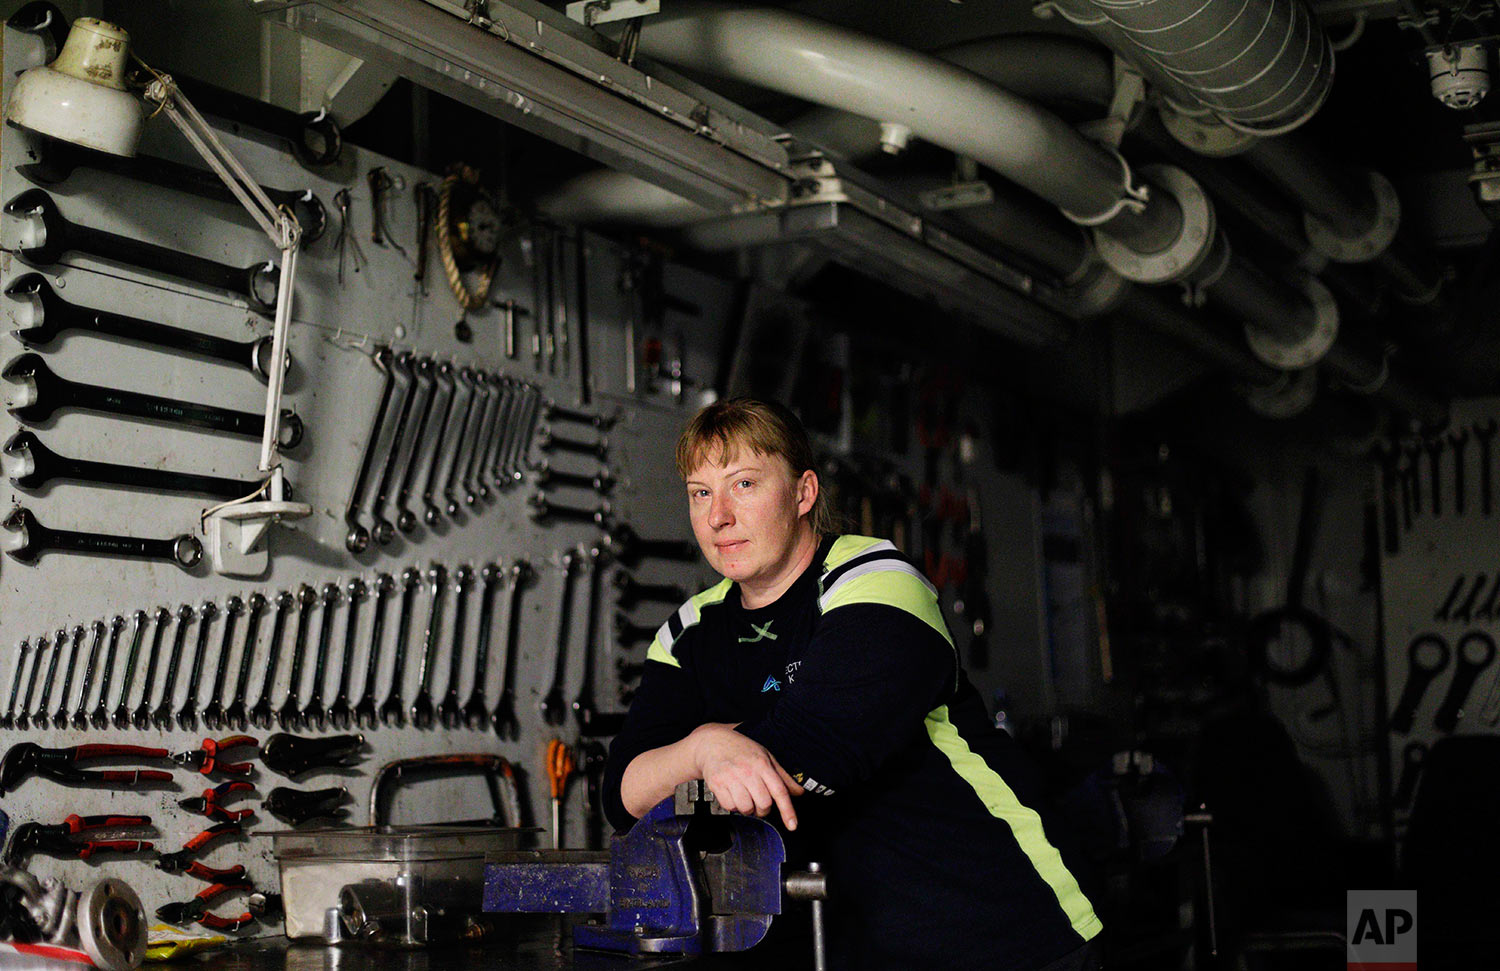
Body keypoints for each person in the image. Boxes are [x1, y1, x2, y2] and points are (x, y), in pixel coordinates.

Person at [602, 397, 1103, 970]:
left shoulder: (876, 581)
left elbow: (814, 753)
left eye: (743, 484)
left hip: (1002, 923)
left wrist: (690, 760)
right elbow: (624, 794)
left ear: (803, 493)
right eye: (700, 492)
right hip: (855, 940)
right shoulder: (687, 633)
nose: (718, 516)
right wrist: (704, 747)